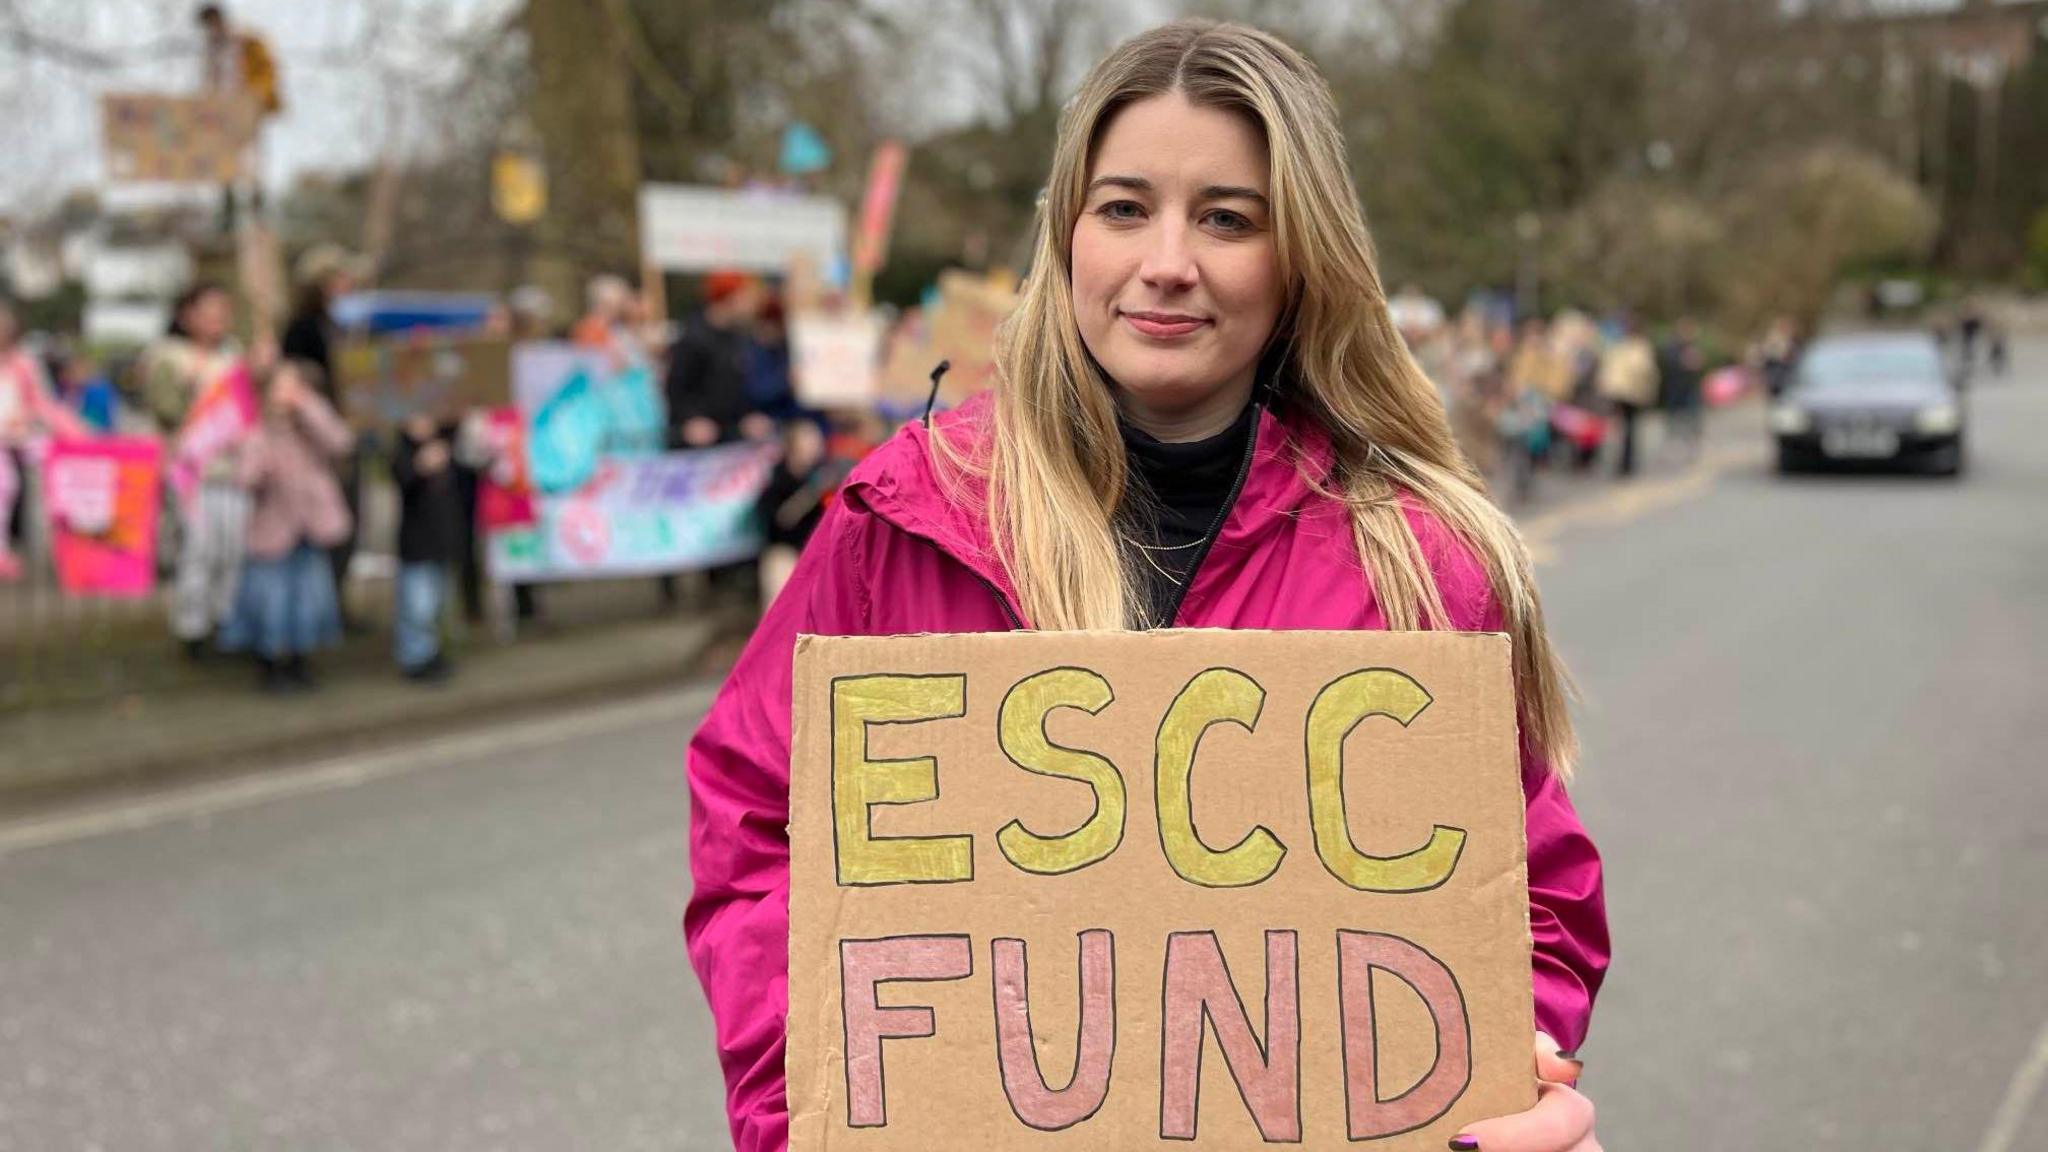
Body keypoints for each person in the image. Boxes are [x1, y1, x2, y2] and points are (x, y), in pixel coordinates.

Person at [684, 20, 1607, 1152]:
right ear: (1068, 235)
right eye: (1123, 208)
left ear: (1300, 254)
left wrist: (1475, 1075)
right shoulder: (903, 520)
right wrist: (818, 1109)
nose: (1165, 261)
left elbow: (1528, 893)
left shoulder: (1418, 561)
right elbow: (754, 829)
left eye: (1225, 218)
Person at [142, 283, 252, 658]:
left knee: (232, 548)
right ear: (187, 315)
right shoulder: (168, 357)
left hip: (233, 468)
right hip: (192, 469)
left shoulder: (233, 355)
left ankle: (225, 619)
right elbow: (166, 411)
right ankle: (193, 627)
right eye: (209, 310)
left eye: (223, 310)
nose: (218, 318)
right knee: (199, 550)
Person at [236, 359, 353, 692]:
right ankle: (270, 663)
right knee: (273, 602)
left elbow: (341, 441)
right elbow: (245, 477)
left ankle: (300, 660)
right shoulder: (258, 434)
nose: (289, 394)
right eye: (283, 386)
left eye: (296, 386)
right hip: (274, 532)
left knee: (308, 599)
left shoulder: (311, 428)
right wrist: (258, 464)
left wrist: (308, 405)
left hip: (310, 528)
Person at [282, 244, 369, 630]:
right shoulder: (302, 330)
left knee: (351, 522)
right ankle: (316, 609)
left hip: (351, 434)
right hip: (318, 444)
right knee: (321, 525)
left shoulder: (356, 326)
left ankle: (338, 601)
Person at [0, 299, 89, 581]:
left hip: (22, 435)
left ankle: (67, 543)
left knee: (55, 463)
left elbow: (42, 403)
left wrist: (75, 431)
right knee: (4, 483)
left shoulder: (24, 364)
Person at [390, 411, 464, 682]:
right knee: (416, 607)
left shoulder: (447, 447)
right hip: (417, 547)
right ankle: (415, 657)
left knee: (435, 604)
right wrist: (421, 466)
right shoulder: (403, 454)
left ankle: (431, 652)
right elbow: (402, 478)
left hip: (441, 544)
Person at [665, 270, 773, 448]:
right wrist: (691, 419)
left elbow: (739, 389)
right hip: (699, 441)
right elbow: (676, 390)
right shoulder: (693, 337)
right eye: (745, 297)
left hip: (731, 435)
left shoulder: (740, 337)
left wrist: (749, 417)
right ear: (729, 299)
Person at [1596, 317, 1659, 478]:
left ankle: (1620, 462)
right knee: (1628, 430)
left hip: (1617, 392)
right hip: (1630, 393)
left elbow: (1607, 369)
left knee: (1620, 429)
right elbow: (1643, 369)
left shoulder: (1618, 346)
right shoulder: (1639, 347)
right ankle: (1624, 463)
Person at [1657, 317, 1705, 460]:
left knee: (1692, 417)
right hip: (1676, 387)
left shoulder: (1693, 346)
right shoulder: (1672, 346)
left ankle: (1691, 443)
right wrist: (1682, 361)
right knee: (1674, 417)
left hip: (1690, 387)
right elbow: (1669, 363)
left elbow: (1698, 364)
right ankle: (1674, 443)